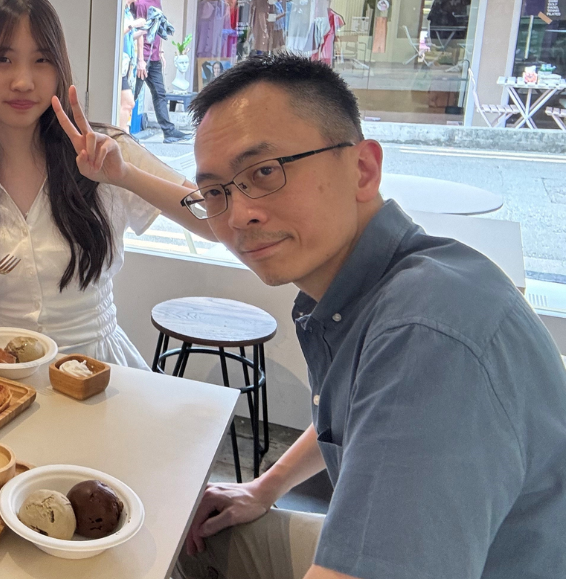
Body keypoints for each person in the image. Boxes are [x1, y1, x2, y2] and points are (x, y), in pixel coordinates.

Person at [162, 53, 566, 578]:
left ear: (362, 168)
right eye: (216, 192)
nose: (239, 215)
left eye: (264, 172)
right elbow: (362, 413)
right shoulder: (372, 289)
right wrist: (265, 487)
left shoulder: (427, 333)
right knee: (185, 533)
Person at [0, 0, 214, 369]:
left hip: (98, 368)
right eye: (2, 59)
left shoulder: (104, 151)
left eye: (41, 60)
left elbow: (214, 220)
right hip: (2, 370)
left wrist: (125, 177)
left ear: (60, 67)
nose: (23, 81)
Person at [134, 0, 186, 142]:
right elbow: (140, 32)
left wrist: (161, 52)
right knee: (132, 94)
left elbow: (159, 28)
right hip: (144, 57)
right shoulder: (142, 3)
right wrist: (140, 60)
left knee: (159, 94)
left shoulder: (157, 1)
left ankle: (169, 132)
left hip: (154, 56)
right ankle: (120, 128)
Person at [119, 0, 147, 133]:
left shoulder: (128, 12)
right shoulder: (121, 12)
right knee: (128, 103)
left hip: (126, 66)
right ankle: (121, 138)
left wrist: (142, 31)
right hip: (119, 66)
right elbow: (117, 33)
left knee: (127, 103)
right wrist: (132, 26)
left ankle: (123, 136)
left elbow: (128, 36)